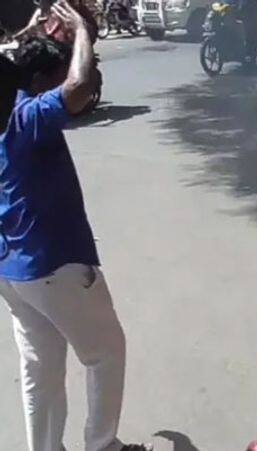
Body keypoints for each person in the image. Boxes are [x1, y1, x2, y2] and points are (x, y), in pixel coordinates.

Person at [0, 2, 151, 451]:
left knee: (41, 367)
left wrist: (33, 32)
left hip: (11, 267)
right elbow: (80, 86)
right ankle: (102, 445)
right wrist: (83, 31)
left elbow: (20, 58)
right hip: (54, 265)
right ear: (39, 83)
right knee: (105, 354)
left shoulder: (10, 105)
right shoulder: (26, 118)